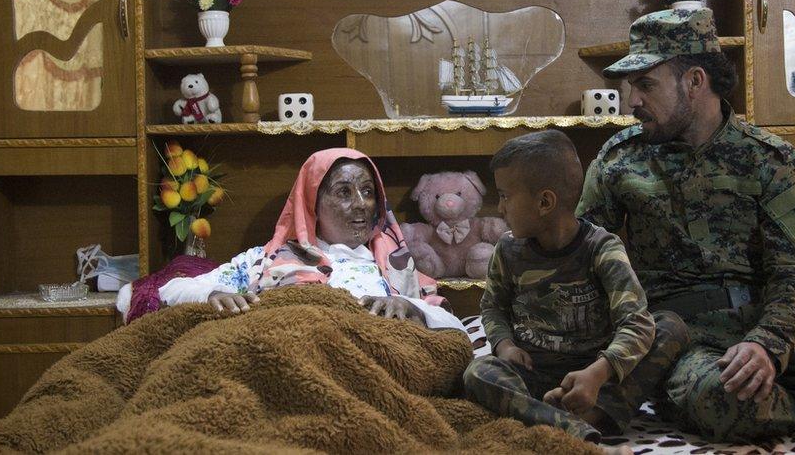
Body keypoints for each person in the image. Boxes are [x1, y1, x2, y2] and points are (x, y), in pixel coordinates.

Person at [576, 7, 795, 453]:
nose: (633, 101)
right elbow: (584, 257)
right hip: (682, 335)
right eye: (631, 87)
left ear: (695, 81)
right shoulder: (619, 159)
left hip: (771, 322)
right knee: (725, 400)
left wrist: (767, 346)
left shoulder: (769, 159)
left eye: (645, 84)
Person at [462, 130, 688, 445]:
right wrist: (504, 346)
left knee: (670, 327)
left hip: (597, 372)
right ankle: (573, 424)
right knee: (477, 372)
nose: (499, 208)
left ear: (544, 202)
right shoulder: (508, 249)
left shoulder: (602, 249)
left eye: (504, 196)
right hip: (535, 373)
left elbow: (636, 322)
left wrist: (598, 372)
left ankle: (583, 411)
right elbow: (493, 306)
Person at [117, 148, 463, 331]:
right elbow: (170, 292)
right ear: (312, 203)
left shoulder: (395, 265)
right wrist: (214, 295)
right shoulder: (267, 260)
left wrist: (412, 308)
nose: (361, 203)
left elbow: (454, 327)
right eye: (344, 191)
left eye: (368, 191)